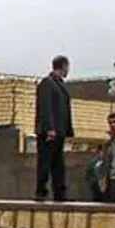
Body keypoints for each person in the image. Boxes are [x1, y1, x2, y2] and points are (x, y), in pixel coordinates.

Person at [34, 55, 74, 202]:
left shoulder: (59, 84)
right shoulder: (47, 83)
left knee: (58, 164)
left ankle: (60, 193)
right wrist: (49, 128)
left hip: (60, 131)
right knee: (45, 161)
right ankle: (41, 191)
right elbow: (45, 107)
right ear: (64, 66)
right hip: (50, 131)